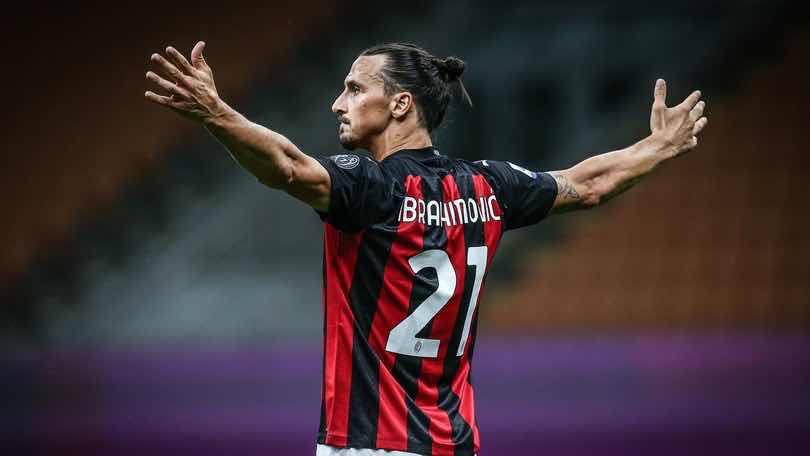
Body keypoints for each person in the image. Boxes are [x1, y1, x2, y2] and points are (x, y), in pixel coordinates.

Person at [145, 41, 708, 456]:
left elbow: (288, 167)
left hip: (367, 443)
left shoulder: (371, 187)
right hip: (452, 444)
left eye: (355, 88)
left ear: (399, 104)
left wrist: (215, 114)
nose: (338, 103)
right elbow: (588, 184)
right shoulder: (488, 186)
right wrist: (658, 147)